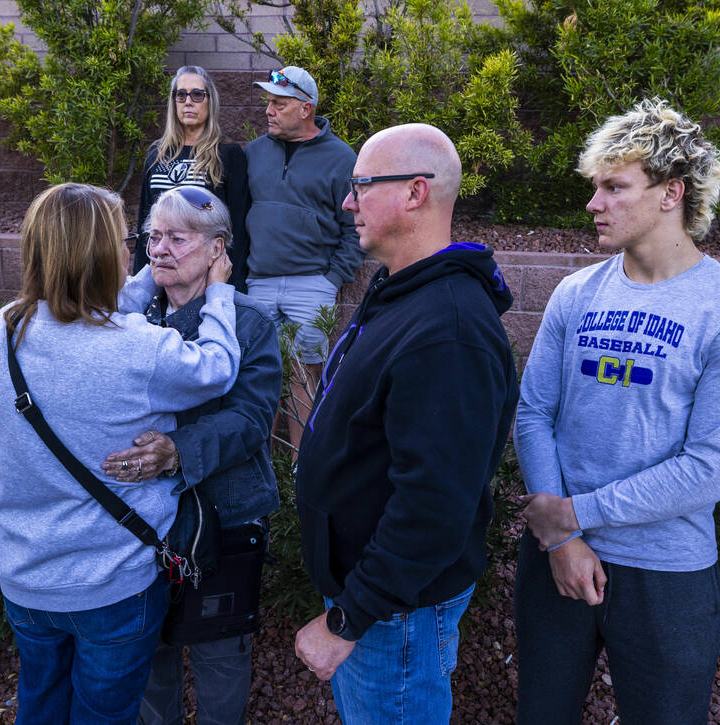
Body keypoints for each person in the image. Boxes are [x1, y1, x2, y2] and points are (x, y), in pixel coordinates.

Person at [513, 98, 720, 724]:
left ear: (671, 193)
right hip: (555, 554)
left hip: (665, 572)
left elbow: (710, 467)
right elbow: (532, 413)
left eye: (613, 187)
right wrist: (563, 537)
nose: (593, 203)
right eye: (595, 187)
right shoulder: (577, 292)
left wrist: (575, 516)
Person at [0, 183, 241, 724]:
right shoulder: (138, 348)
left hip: (25, 576)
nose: (139, 249)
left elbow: (86, 310)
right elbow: (217, 366)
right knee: (104, 714)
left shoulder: (4, 327)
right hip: (110, 584)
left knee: (41, 700)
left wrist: (159, 266)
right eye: (130, 239)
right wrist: (217, 290)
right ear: (104, 254)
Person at [293, 123, 518, 724]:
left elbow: (434, 507)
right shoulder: (401, 292)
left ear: (415, 192)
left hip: (396, 615)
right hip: (379, 603)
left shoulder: (448, 331)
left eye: (361, 185)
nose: (348, 202)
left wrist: (348, 618)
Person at [102, 186, 282, 725]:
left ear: (217, 250)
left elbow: (251, 420)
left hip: (224, 510)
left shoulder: (249, 322)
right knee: (148, 646)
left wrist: (177, 451)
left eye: (177, 238)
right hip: (141, 516)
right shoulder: (130, 317)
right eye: (153, 237)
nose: (159, 249)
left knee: (218, 650)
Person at [245, 65, 361, 449]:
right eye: (268, 102)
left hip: (311, 284)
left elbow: (355, 224)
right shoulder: (254, 153)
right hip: (257, 283)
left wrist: (331, 278)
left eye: (278, 103)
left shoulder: (342, 157)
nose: (268, 110)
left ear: (305, 108)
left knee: (303, 376)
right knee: (258, 378)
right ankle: (256, 471)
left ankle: (300, 471)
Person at [132, 66, 250, 292]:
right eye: (181, 95)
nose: (188, 101)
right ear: (173, 102)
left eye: (197, 95)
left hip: (205, 278)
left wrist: (230, 286)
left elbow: (238, 228)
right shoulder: (156, 154)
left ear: (209, 101)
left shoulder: (227, 153)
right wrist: (141, 283)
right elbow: (145, 225)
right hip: (161, 275)